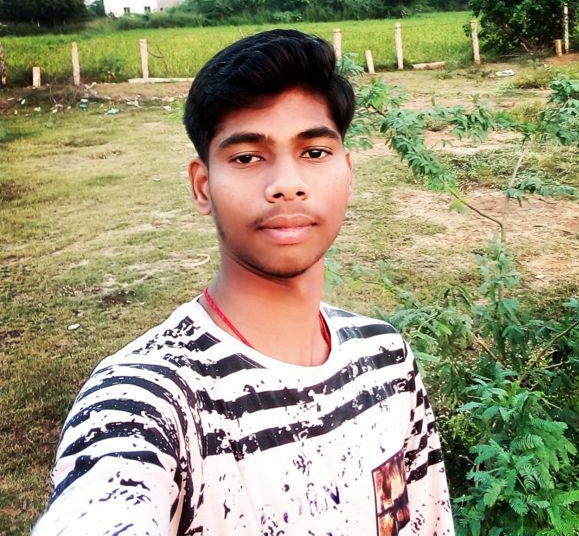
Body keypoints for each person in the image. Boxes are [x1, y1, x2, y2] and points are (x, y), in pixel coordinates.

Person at [33, 29, 454, 535]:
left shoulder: (386, 360)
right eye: (247, 157)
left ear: (348, 172)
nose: (286, 184)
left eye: (314, 152)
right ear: (202, 186)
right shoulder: (151, 399)